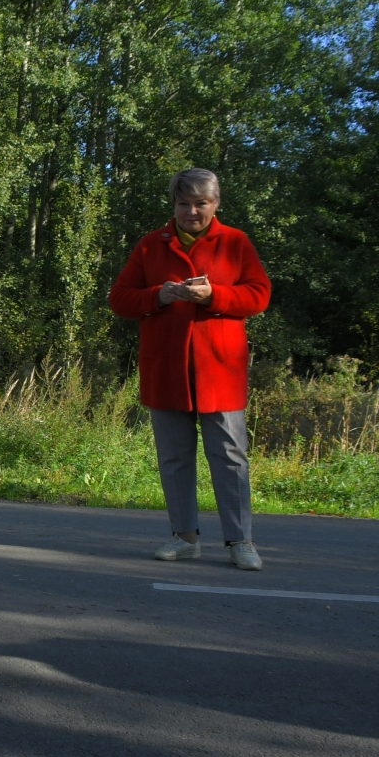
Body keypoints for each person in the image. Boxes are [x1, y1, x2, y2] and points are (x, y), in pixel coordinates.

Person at [108, 168, 271, 570]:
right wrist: (156, 295)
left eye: (201, 203)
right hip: (166, 372)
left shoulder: (235, 243)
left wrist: (215, 295)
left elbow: (259, 294)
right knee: (175, 458)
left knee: (230, 457)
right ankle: (184, 538)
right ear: (174, 205)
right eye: (184, 203)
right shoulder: (151, 246)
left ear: (216, 205)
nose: (192, 212)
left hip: (220, 372)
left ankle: (240, 541)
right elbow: (119, 298)